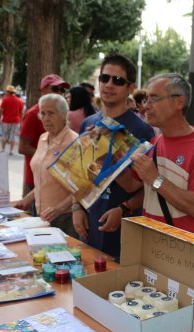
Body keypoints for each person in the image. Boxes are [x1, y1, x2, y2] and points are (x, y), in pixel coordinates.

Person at [72, 54, 153, 260]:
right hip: (89, 223)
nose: (109, 85)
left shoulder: (142, 131)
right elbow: (80, 174)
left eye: (117, 80)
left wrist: (124, 209)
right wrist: (77, 207)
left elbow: (149, 187)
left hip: (122, 227)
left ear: (130, 87)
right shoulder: (88, 123)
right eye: (104, 78)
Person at [125, 73, 194, 236]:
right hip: (150, 243)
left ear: (179, 102)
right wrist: (111, 155)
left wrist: (155, 179)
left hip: (185, 251)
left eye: (153, 99)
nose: (146, 106)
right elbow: (130, 185)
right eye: (146, 99)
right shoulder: (155, 142)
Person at [14, 94, 77, 236]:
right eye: (43, 113)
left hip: (66, 218)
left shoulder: (74, 142)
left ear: (63, 115)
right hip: (41, 216)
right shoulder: (43, 138)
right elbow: (44, 180)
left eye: (51, 113)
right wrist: (26, 200)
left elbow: (84, 188)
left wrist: (59, 209)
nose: (46, 118)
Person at [19, 74, 70, 196]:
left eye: (62, 90)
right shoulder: (32, 114)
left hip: (56, 177)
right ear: (43, 90)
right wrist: (48, 157)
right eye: (55, 88)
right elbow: (23, 147)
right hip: (38, 178)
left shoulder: (61, 113)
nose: (60, 92)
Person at [0, 85, 24, 155]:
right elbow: (21, 112)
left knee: (4, 135)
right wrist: (21, 121)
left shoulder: (5, 99)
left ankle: (3, 149)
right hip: (16, 121)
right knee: (13, 136)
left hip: (6, 120)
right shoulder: (19, 100)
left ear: (8, 92)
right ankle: (11, 151)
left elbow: (1, 110)